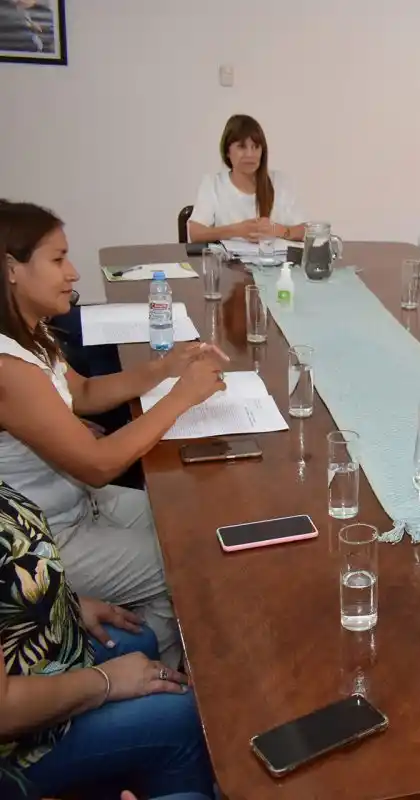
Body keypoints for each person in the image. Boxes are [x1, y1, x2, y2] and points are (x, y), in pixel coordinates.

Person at [0, 201, 228, 668]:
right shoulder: (8, 368)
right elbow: (99, 464)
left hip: (77, 504)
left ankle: (152, 628)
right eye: (58, 259)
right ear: (12, 270)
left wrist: (163, 368)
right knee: (184, 568)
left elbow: (80, 392)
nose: (74, 272)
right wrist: (181, 397)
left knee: (193, 523)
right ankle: (165, 680)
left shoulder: (29, 335)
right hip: (48, 540)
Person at [0, 480, 215, 798]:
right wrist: (106, 681)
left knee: (139, 638)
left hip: (30, 657)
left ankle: (136, 773)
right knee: (179, 712)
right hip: (14, 747)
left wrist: (61, 601)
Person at [186, 114, 309, 244]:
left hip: (275, 262)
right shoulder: (212, 184)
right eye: (242, 147)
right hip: (229, 263)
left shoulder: (280, 182)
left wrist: (278, 230)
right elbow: (195, 233)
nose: (250, 155)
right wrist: (236, 230)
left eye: (255, 147)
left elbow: (306, 230)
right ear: (227, 151)